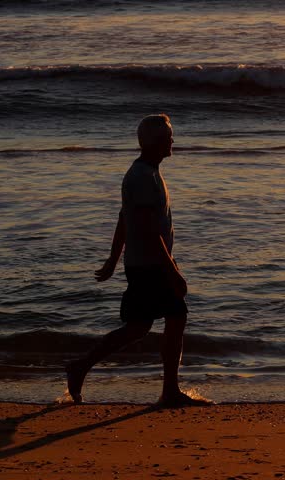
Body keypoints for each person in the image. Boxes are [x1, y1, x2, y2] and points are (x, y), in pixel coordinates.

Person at [65, 114, 209, 407]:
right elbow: (145, 228)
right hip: (149, 265)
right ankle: (169, 391)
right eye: (168, 137)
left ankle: (81, 366)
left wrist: (113, 259)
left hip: (145, 263)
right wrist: (171, 271)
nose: (172, 141)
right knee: (173, 317)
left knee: (140, 326)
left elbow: (124, 218)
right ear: (155, 142)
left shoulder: (147, 172)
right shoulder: (142, 176)